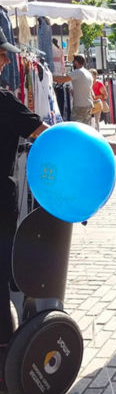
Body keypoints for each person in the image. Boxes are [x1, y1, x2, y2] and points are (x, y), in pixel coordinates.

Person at [0, 29, 49, 373]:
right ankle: (4, 361)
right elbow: (46, 135)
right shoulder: (3, 101)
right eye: (2, 56)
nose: (6, 62)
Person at [53, 54, 93, 125]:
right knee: (85, 128)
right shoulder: (88, 73)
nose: (73, 63)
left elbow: (61, 80)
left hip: (80, 106)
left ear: (76, 62)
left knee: (76, 127)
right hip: (88, 104)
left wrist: (49, 76)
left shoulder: (78, 72)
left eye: (73, 61)